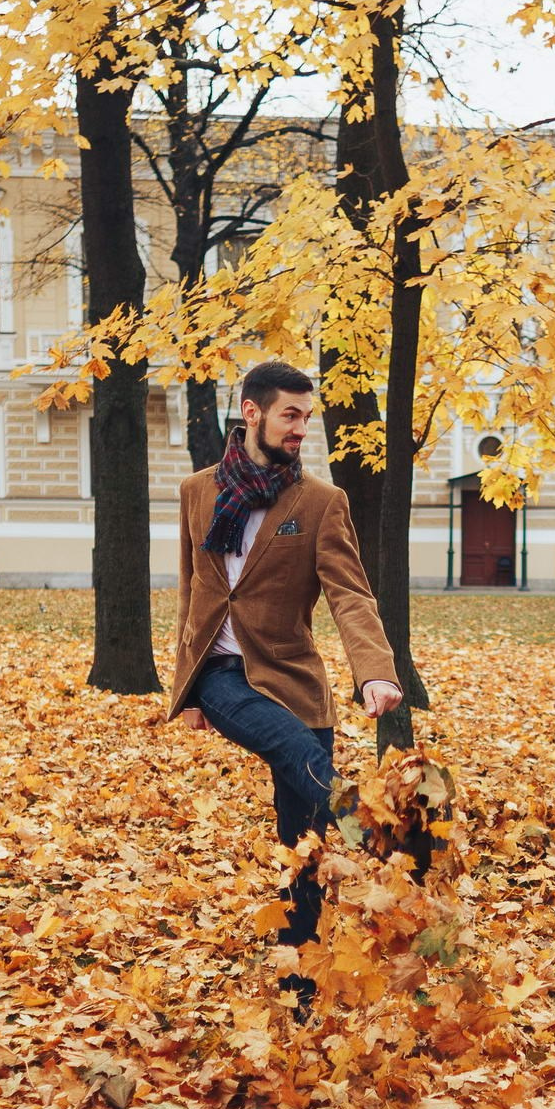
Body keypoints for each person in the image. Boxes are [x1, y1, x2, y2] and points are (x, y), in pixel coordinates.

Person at [168, 361, 403, 1004]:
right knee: (299, 755)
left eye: (308, 416)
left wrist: (374, 672)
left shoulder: (321, 503)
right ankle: (377, 832)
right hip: (221, 674)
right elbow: (192, 590)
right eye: (289, 416)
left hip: (295, 680)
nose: (302, 428)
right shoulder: (197, 491)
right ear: (252, 414)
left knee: (301, 839)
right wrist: (183, 693)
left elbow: (350, 595)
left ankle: (303, 971)